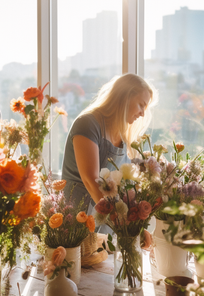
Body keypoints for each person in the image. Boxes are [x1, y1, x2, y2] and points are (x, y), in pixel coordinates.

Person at [62, 74, 158, 209]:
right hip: (77, 219)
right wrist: (120, 221)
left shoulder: (122, 135)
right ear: (125, 97)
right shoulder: (87, 124)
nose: (142, 113)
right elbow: (91, 181)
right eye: (141, 105)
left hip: (106, 223)